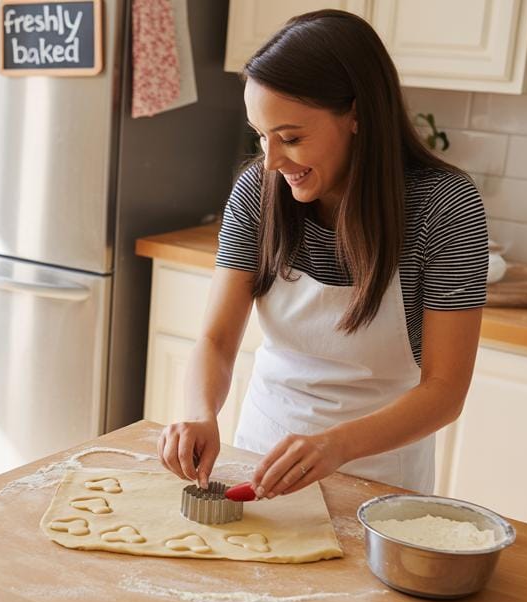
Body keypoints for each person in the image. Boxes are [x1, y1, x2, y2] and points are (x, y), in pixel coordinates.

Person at [158, 9, 487, 499]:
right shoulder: (258, 192)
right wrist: (198, 411)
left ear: (357, 115)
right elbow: (216, 338)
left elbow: (444, 393)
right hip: (261, 457)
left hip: (381, 475)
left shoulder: (444, 207)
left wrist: (334, 446)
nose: (271, 161)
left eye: (291, 138)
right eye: (261, 137)